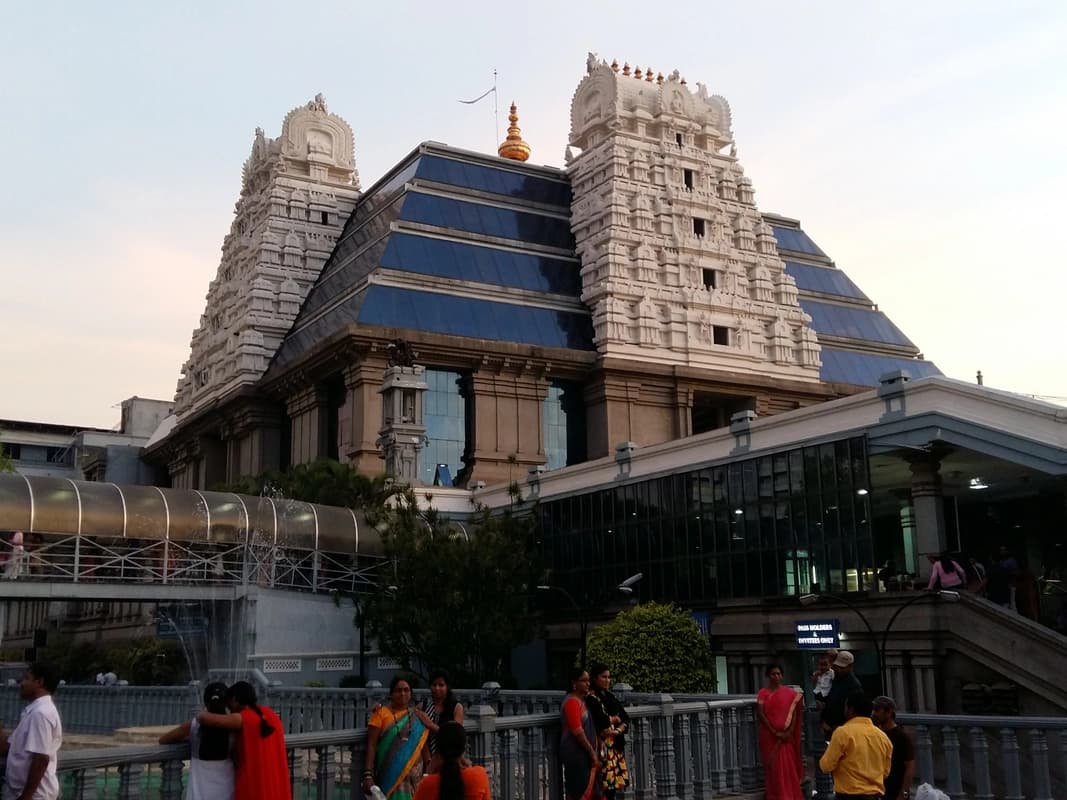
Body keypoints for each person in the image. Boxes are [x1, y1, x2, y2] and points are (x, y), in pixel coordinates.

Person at [197, 681, 290, 800]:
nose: (228, 709)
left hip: (254, 786)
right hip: (274, 782)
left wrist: (200, 714)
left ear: (235, 699)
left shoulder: (242, 718)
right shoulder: (271, 715)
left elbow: (205, 719)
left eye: (229, 703)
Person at [159, 681, 235, 800]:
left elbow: (164, 740)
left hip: (199, 794)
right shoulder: (234, 728)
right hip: (227, 793)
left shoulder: (194, 726)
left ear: (205, 702)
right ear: (227, 702)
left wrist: (188, 738)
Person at [0, 661, 63, 800]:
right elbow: (11, 749)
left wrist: (26, 796)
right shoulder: (36, 711)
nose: (21, 683)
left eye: (27, 678)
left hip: (34, 796)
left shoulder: (41, 713)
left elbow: (41, 759)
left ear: (39, 682)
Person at [362, 676, 429, 800]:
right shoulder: (380, 713)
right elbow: (371, 745)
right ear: (391, 693)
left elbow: (422, 744)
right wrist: (368, 774)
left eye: (406, 690)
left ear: (411, 694)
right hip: (390, 774)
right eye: (398, 690)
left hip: (415, 776)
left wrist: (429, 769)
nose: (402, 693)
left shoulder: (416, 715)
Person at [819, 692, 891, 800]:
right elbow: (885, 772)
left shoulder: (842, 733)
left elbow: (826, 766)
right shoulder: (883, 737)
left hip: (848, 795)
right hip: (874, 795)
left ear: (851, 709)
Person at [755, 665, 804, 800]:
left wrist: (789, 732)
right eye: (773, 674)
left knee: (788, 769)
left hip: (786, 738)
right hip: (769, 736)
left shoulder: (790, 694)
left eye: (778, 674)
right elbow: (760, 713)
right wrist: (774, 732)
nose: (776, 677)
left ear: (782, 675)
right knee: (773, 769)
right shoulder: (763, 693)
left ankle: (789, 795)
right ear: (768, 676)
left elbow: (794, 713)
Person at [585, 663, 630, 800]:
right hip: (602, 748)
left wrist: (617, 729)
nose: (607, 680)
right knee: (602, 786)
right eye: (604, 677)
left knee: (612, 788)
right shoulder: (591, 697)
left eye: (609, 677)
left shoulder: (609, 695)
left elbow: (625, 718)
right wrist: (614, 719)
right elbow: (602, 722)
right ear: (595, 678)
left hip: (615, 746)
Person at [412, 721, 490, 800]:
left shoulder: (428, 784)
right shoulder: (480, 775)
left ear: (438, 753)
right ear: (463, 748)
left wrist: (428, 773)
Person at [559, 668, 600, 800]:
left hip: (585, 755)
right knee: (579, 791)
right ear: (574, 683)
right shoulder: (571, 702)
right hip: (576, 755)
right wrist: (591, 752)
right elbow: (577, 731)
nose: (588, 683)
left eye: (588, 680)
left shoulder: (582, 701)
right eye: (584, 680)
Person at [871, 696, 914, 800]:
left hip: (894, 790)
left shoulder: (901, 736)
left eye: (877, 710)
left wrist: (903, 793)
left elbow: (909, 767)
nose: (873, 714)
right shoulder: (873, 733)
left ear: (889, 712)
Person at [419, 670, 465, 765]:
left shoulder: (456, 707)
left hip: (448, 758)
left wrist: (430, 724)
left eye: (441, 685)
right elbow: (418, 734)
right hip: (426, 757)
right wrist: (427, 758)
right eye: (434, 685)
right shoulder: (422, 706)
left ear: (447, 687)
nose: (437, 688)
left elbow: (454, 737)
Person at [821, 651, 862, 736]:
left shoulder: (854, 685)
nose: (839, 670)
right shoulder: (835, 679)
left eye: (842, 668)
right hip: (830, 726)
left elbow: (853, 711)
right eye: (837, 667)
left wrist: (835, 728)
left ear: (850, 667)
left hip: (843, 729)